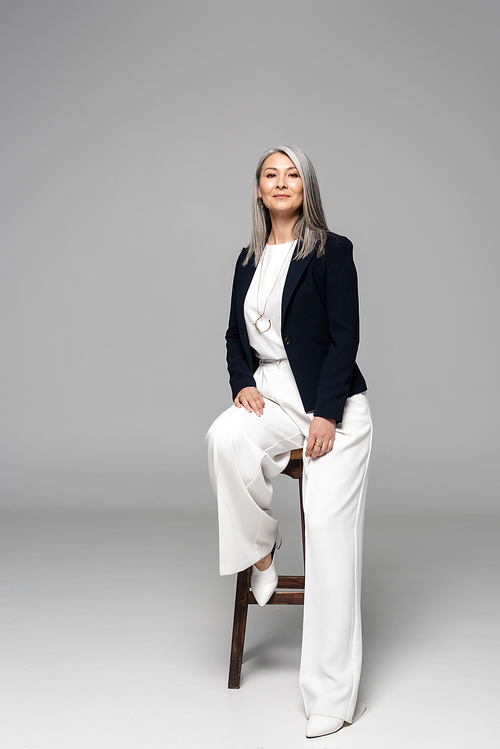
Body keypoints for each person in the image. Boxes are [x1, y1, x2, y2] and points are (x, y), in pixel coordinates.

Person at [206, 145, 373, 739]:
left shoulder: (332, 251)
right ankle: (261, 554)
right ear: (258, 189)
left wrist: (327, 415)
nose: (281, 182)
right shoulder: (247, 259)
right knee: (224, 439)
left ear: (307, 187)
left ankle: (330, 695)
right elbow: (233, 334)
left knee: (328, 535)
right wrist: (242, 383)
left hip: (332, 403)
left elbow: (345, 338)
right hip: (274, 397)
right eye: (270, 175)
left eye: (292, 174)